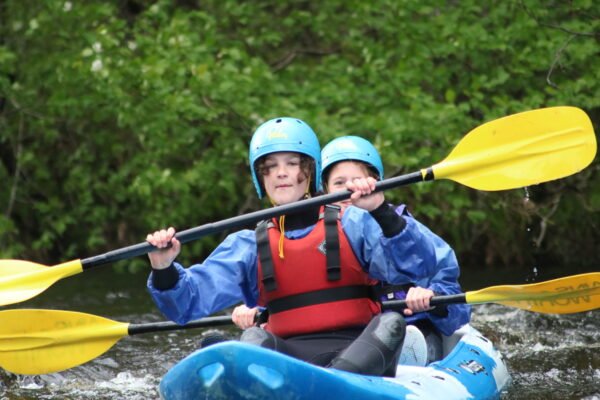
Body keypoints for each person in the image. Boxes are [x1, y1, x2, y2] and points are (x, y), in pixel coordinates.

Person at [146, 118, 445, 377]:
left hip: (360, 352)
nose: (281, 173)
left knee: (391, 323)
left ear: (311, 171)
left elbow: (419, 266)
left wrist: (380, 210)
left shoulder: (354, 223)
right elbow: (186, 304)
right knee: (252, 336)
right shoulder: (247, 246)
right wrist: (163, 267)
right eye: (270, 167)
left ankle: (332, 383)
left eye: (292, 163)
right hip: (288, 359)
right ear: (260, 179)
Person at [232, 135, 471, 365]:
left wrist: (433, 299)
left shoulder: (404, 231)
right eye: (339, 184)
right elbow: (299, 288)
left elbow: (454, 302)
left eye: (357, 181)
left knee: (412, 336)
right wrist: (259, 310)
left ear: (375, 184)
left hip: (411, 328)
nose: (350, 191)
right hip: (355, 341)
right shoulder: (319, 232)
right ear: (324, 189)